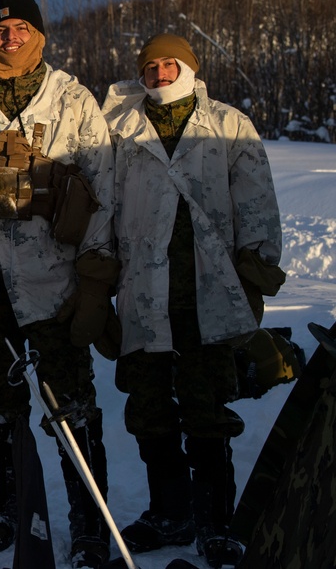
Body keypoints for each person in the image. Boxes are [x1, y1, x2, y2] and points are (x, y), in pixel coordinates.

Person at [0, 0, 118, 569]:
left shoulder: (72, 99)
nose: (8, 37)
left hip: (53, 283)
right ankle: (5, 507)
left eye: (20, 28)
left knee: (74, 406)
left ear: (39, 36)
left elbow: (103, 194)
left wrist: (93, 284)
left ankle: (89, 522)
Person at [101, 33, 284, 568]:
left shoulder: (228, 124)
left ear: (191, 68)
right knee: (150, 410)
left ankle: (216, 521)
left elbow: (257, 203)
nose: (158, 74)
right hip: (144, 294)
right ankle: (170, 513)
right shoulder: (120, 130)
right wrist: (99, 275)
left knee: (207, 410)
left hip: (210, 292)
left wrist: (255, 272)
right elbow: (104, 208)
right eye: (150, 66)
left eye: (169, 64)